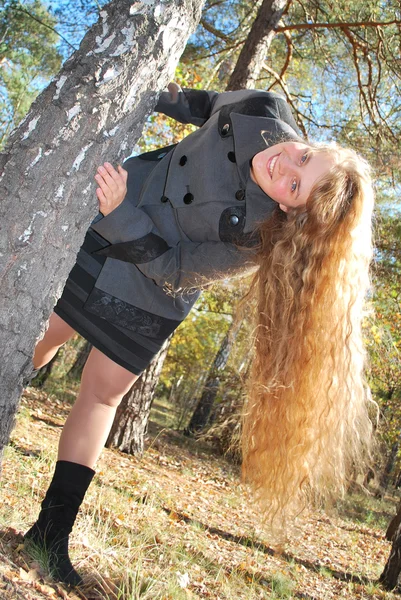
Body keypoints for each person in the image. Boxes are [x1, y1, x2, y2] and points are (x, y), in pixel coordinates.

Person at [24, 83, 375, 585]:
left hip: (148, 280)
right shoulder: (264, 109)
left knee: (100, 397)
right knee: (37, 339)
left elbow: (175, 268)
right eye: (304, 155)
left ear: (293, 211)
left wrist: (120, 212)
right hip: (110, 220)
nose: (285, 166)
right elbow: (206, 105)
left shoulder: (257, 235)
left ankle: (50, 536)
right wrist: (154, 92)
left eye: (295, 187)